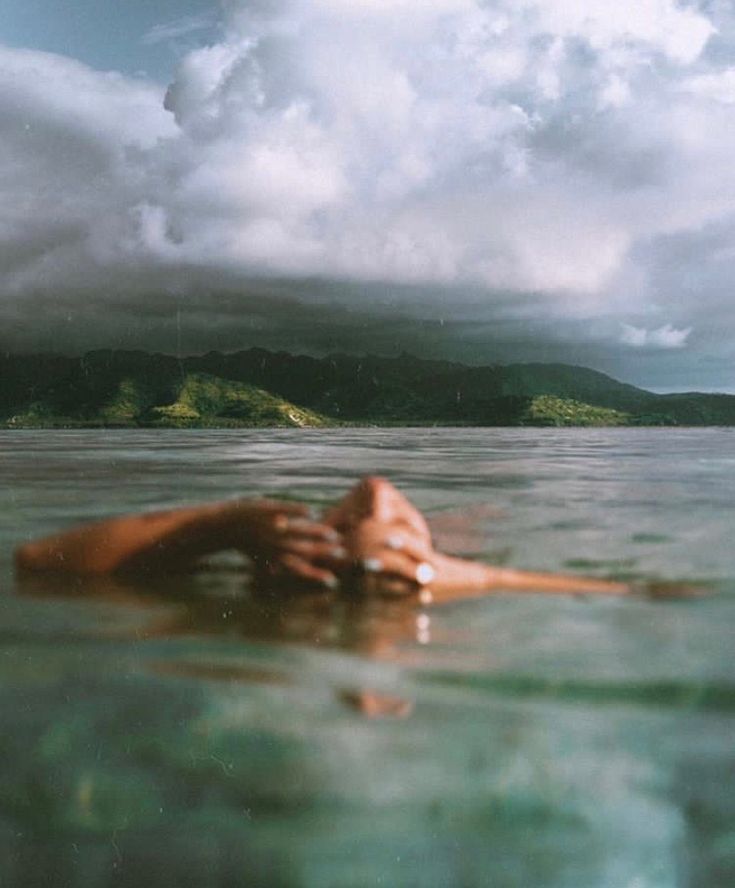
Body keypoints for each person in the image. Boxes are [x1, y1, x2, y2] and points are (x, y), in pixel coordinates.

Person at [14, 477, 636, 600]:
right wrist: (226, 526)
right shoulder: (274, 579)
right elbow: (35, 560)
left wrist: (458, 574)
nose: (376, 489)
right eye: (348, 512)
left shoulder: (452, 578)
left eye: (395, 515)